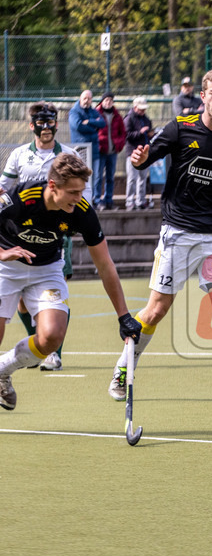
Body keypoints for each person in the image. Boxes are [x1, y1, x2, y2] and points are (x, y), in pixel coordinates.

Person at [108, 67, 212, 405]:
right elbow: (146, 159)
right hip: (177, 233)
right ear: (203, 96)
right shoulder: (180, 128)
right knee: (156, 310)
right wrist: (138, 160)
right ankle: (124, 367)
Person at [0, 154, 141, 409]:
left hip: (47, 269)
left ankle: (2, 370)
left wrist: (124, 316)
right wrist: (2, 254)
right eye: (73, 192)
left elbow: (104, 264)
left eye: (81, 191)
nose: (78, 198)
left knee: (52, 336)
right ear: (53, 186)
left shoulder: (82, 212)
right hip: (5, 266)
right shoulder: (21, 198)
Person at [1, 102, 85, 371]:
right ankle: (35, 344)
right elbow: (3, 190)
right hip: (21, 236)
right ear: (31, 125)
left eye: (50, 122)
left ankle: (53, 353)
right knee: (25, 300)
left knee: (56, 293)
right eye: (40, 121)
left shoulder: (69, 155)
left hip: (55, 237)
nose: (46, 127)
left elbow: (82, 197)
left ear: (57, 124)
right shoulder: (19, 155)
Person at [68, 89, 105, 199]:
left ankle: (95, 200)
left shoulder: (93, 111)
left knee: (97, 176)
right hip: (81, 150)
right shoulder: (74, 112)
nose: (87, 101)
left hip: (94, 150)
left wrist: (89, 121)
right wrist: (94, 126)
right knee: (81, 176)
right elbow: (78, 126)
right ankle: (82, 199)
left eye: (89, 99)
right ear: (80, 98)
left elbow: (102, 123)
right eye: (85, 98)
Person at [95, 92, 126, 210]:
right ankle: (97, 200)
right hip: (100, 151)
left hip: (112, 151)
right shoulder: (96, 113)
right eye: (106, 100)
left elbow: (122, 132)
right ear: (102, 101)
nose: (108, 103)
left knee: (110, 177)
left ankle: (109, 200)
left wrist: (119, 144)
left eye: (110, 100)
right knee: (98, 177)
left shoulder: (117, 115)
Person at [123, 97, 153, 210]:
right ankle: (129, 201)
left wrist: (150, 134)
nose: (143, 111)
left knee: (142, 178)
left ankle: (141, 201)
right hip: (132, 152)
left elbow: (149, 133)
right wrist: (140, 132)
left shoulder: (146, 119)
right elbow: (127, 135)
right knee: (132, 178)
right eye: (141, 109)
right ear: (135, 107)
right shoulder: (128, 119)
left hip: (144, 153)